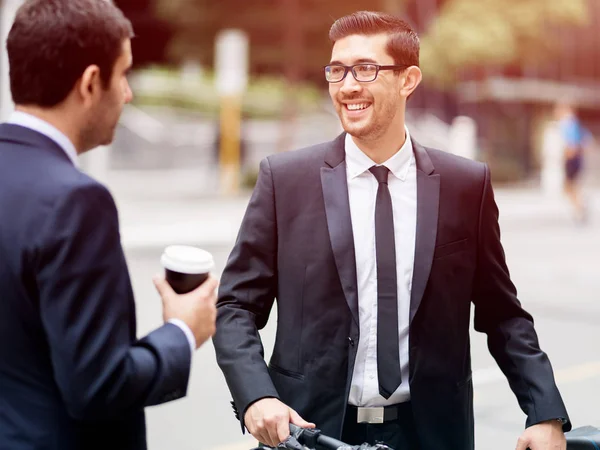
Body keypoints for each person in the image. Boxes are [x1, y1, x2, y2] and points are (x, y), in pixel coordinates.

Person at [213, 10, 570, 450]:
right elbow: (234, 306)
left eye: (366, 69)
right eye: (337, 70)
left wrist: (545, 412)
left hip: (432, 435)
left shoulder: (465, 185)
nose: (347, 86)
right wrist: (257, 396)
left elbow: (503, 314)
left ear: (408, 79)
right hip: (310, 433)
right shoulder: (284, 181)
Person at [0, 1, 217, 449]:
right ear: (91, 83)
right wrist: (181, 332)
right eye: (124, 74)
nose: (128, 93)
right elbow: (99, 386)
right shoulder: (76, 201)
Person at [554, 103, 590, 223]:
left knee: (569, 186)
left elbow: (572, 144)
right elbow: (586, 140)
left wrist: (567, 156)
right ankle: (580, 206)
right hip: (575, 159)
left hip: (572, 160)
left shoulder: (568, 124)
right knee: (570, 186)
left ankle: (580, 207)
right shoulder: (574, 123)